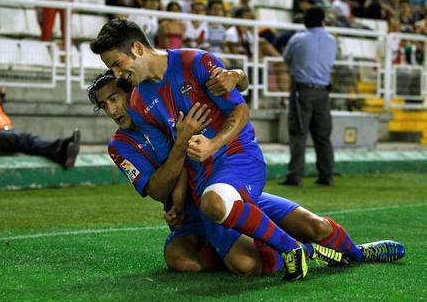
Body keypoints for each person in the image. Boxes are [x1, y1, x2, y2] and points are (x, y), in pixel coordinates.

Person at [89, 19, 406, 279]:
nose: (117, 76)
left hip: (237, 160)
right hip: (205, 186)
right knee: (251, 262)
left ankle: (328, 251)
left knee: (223, 205)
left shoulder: (193, 61)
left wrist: (235, 85)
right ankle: (319, 251)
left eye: (117, 65)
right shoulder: (141, 106)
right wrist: (178, 200)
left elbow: (239, 111)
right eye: (105, 103)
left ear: (139, 48)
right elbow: (177, 155)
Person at [88, 70, 352, 276]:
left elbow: (231, 92)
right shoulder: (119, 145)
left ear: (131, 94)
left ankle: (342, 251)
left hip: (220, 192)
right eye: (104, 105)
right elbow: (156, 190)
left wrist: (237, 74)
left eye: (114, 99)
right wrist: (178, 197)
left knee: (314, 227)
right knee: (183, 260)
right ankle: (277, 245)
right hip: (189, 217)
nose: (111, 110)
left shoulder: (162, 109)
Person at [0, 63, 80, 169]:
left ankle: (62, 156)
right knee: (25, 139)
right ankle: (62, 147)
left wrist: (2, 97)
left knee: (26, 140)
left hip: (5, 129)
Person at [280, 6, 336, 187]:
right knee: (323, 135)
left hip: (302, 91)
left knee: (298, 133)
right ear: (322, 19)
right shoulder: (331, 40)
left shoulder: (298, 38)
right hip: (323, 91)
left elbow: (287, 57)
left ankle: (295, 175)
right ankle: (327, 175)